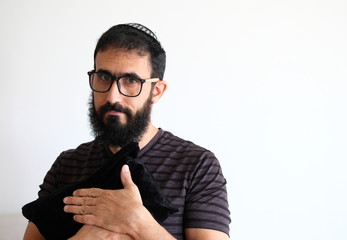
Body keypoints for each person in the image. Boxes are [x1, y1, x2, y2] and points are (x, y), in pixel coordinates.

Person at [23, 23, 231, 240]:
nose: (112, 96)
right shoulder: (67, 164)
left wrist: (137, 221)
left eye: (131, 81)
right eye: (103, 77)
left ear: (156, 91)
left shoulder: (197, 164)